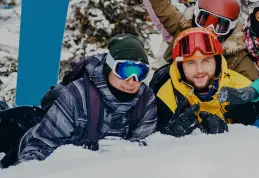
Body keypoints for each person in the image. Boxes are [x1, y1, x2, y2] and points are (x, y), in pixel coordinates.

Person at [17, 34, 157, 162]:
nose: (132, 81)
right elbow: (42, 145)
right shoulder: (78, 94)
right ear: (109, 67)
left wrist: (127, 149)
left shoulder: (145, 99)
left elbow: (146, 144)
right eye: (124, 70)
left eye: (140, 72)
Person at [155, 27, 259, 138]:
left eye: (206, 60)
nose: (199, 70)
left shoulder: (242, 87)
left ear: (217, 61)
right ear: (180, 67)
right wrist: (171, 133)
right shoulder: (166, 97)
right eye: (190, 63)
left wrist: (247, 122)